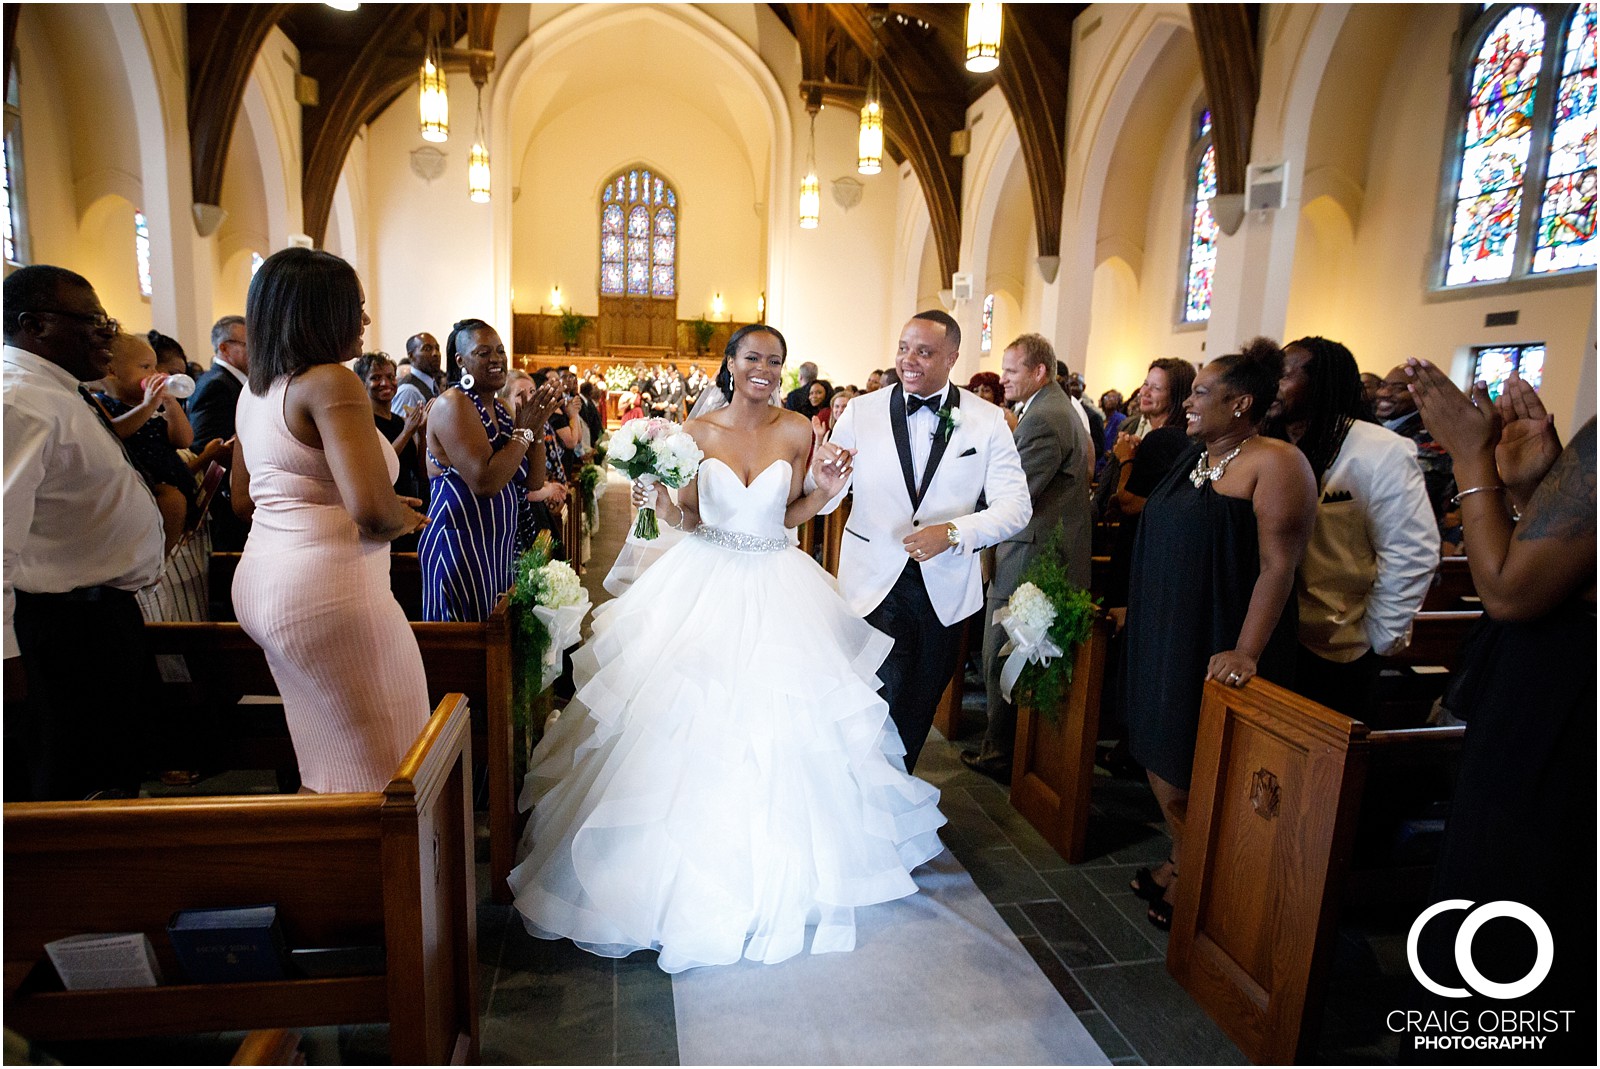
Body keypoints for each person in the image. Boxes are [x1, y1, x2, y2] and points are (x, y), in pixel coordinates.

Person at [509, 323, 945, 973]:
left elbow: (796, 514)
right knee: (685, 720)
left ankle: (787, 868)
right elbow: (688, 517)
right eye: (753, 358)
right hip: (706, 580)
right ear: (731, 364)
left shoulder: (799, 432)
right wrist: (655, 498)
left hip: (778, 580)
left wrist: (824, 488)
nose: (764, 369)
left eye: (775, 360)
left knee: (784, 724)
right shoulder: (696, 433)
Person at [1405, 363, 1594, 1065]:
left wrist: (1467, 452)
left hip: (1558, 716)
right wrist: (1528, 491)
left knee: (1508, 913)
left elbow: (1510, 591)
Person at [1122, 339, 1317, 930]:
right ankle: (1185, 856)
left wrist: (1246, 649)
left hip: (1215, 633)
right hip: (1164, 631)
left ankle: (1201, 874)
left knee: (1194, 758)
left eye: (1201, 392)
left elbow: (1278, 566)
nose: (1188, 402)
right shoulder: (1196, 456)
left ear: (1242, 404)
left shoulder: (1276, 462)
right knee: (1158, 747)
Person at [228, 249, 432, 793]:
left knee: (326, 763)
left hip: (262, 583)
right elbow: (369, 511)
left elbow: (243, 500)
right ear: (319, 313)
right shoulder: (332, 383)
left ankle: (325, 871)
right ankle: (386, 877)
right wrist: (402, 519)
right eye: (355, 308)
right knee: (393, 770)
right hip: (329, 590)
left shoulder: (256, 390)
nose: (365, 322)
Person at [815, 310, 1032, 772]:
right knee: (874, 698)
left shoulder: (988, 421)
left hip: (944, 589)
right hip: (873, 584)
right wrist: (824, 480)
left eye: (924, 352)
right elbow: (827, 503)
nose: (908, 361)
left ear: (952, 357)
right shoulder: (861, 411)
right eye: (903, 348)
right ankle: (860, 800)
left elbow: (1017, 506)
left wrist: (954, 532)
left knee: (918, 705)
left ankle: (895, 801)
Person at [4, 265, 165, 801]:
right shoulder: (17, 402)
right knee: (72, 792)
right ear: (35, 326)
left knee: (111, 779)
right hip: (59, 633)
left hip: (95, 620)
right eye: (93, 321)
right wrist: (8, 660)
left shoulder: (58, 391)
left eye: (107, 320)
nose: (108, 334)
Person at [1268, 337, 1436, 718]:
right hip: (1267, 638)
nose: (1273, 384)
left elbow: (1412, 551)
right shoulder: (1265, 443)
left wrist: (1377, 636)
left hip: (1335, 645)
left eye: (1285, 375)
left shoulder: (1379, 450)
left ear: (1322, 381)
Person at [964, 334, 1094, 782]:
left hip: (1032, 552)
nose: (1003, 378)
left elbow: (1015, 494)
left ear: (1039, 371)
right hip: (1038, 546)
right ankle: (1009, 749)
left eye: (1012, 369)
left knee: (1005, 648)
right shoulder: (1051, 407)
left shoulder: (1045, 417)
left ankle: (1002, 752)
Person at [420, 319, 559, 621]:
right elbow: (484, 481)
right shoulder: (452, 405)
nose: (496, 358)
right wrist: (523, 434)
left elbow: (532, 481)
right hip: (460, 546)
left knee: (494, 641)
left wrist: (533, 432)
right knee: (464, 650)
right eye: (483, 353)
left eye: (500, 350)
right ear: (461, 361)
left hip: (496, 547)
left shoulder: (502, 410)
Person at [92, 332, 199, 553]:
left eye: (155, 367)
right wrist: (148, 406)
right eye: (145, 367)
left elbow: (184, 439)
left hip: (172, 475)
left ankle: (164, 557)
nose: (155, 374)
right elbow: (115, 433)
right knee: (172, 502)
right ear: (112, 372)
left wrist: (169, 403)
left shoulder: (158, 405)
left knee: (178, 503)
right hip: (143, 480)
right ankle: (159, 558)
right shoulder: (103, 404)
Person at [1375, 363, 1460, 551]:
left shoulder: (1432, 435)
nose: (1384, 393)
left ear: (1421, 393)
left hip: (1412, 545)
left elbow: (1424, 493)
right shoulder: (1378, 428)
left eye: (1397, 389)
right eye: (1382, 385)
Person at [354, 352, 430, 551]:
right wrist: (407, 432)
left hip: (408, 511)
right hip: (384, 512)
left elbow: (420, 471)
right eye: (376, 378)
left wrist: (421, 433)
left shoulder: (398, 421)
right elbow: (379, 466)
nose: (385, 383)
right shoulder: (363, 422)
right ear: (362, 383)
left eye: (390, 376)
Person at [190, 314, 250, 550]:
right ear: (224, 348)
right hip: (226, 503)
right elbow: (205, 445)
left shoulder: (233, 382)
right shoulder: (216, 384)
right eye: (248, 344)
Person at [500, 370, 568, 557]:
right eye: (520, 395)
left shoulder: (535, 426)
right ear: (504, 400)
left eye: (532, 392)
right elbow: (515, 485)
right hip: (518, 518)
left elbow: (535, 478)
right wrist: (547, 490)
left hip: (536, 510)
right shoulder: (506, 431)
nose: (530, 399)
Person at [390, 331, 443, 415]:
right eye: (427, 349)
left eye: (437, 348)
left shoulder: (432, 384)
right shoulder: (409, 391)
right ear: (411, 356)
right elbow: (400, 427)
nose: (435, 353)